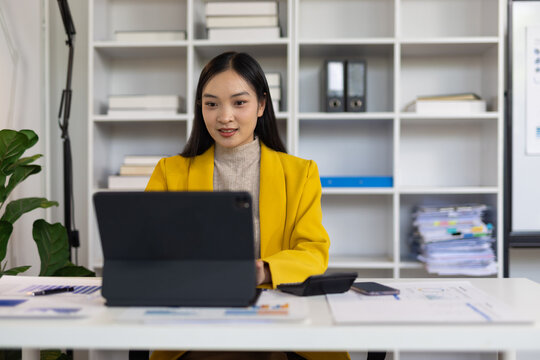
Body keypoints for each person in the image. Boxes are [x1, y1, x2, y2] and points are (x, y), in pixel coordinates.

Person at [146, 51, 349, 360]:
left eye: (239, 102)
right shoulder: (170, 172)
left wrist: (265, 270)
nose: (224, 116)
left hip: (280, 323)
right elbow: (145, 251)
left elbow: (314, 251)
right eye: (211, 103)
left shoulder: (300, 172)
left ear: (261, 105)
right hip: (194, 323)